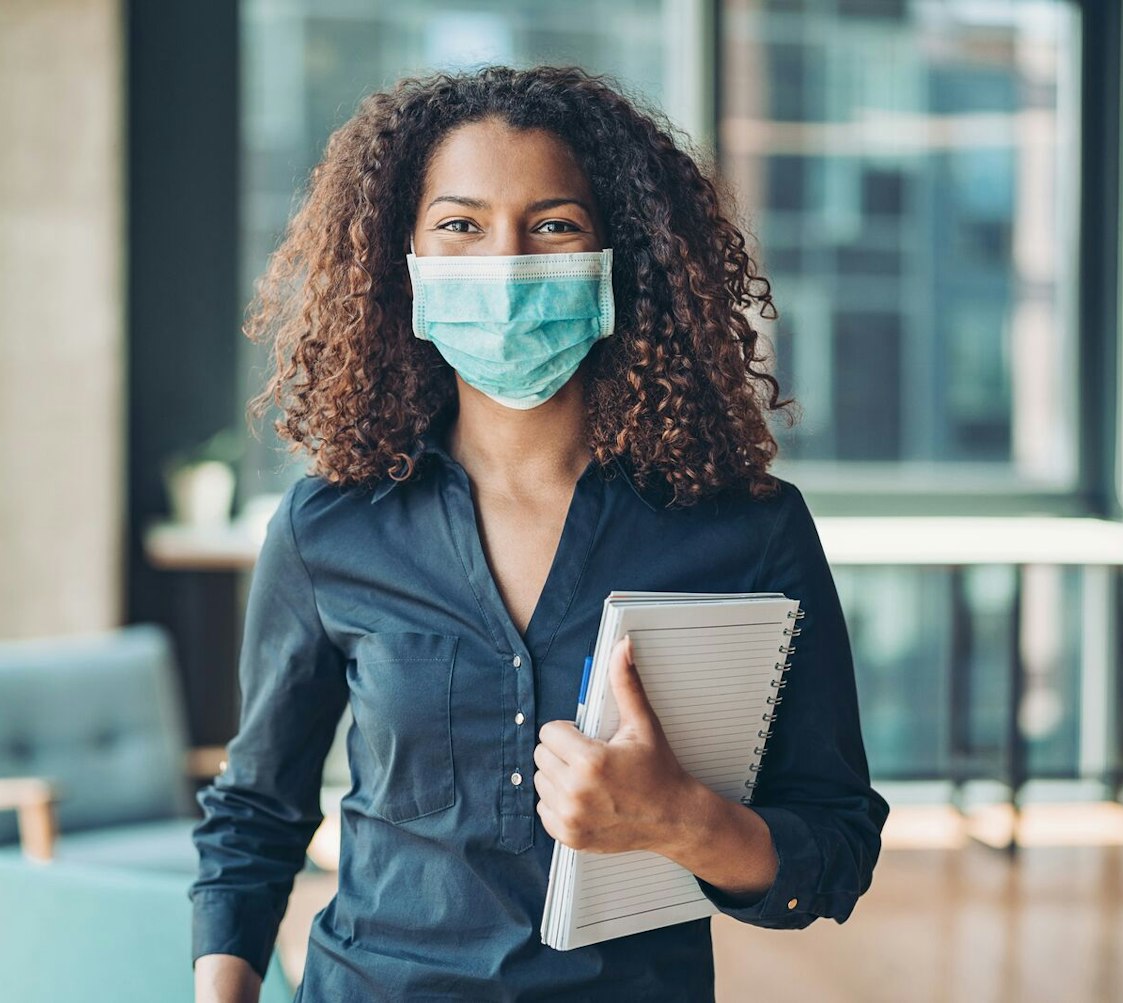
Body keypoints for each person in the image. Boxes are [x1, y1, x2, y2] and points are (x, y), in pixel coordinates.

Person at [192, 65, 887, 1002]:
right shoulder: (330, 526)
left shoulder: (751, 532)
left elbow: (836, 846)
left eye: (554, 225)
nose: (506, 263)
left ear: (619, 256)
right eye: (460, 225)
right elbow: (255, 812)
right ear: (403, 258)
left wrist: (683, 820)